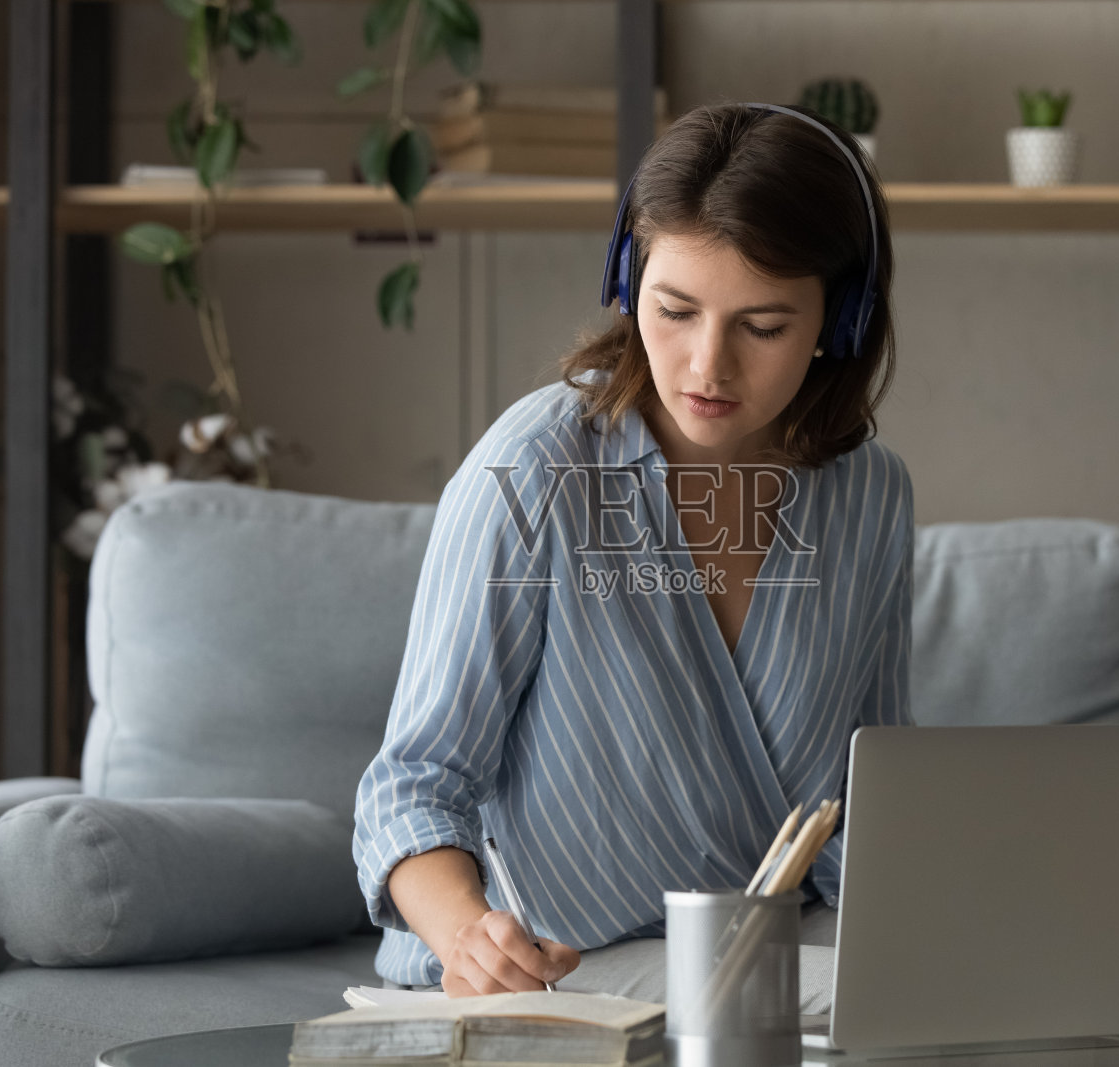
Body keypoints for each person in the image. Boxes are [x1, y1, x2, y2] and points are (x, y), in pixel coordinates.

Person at [352, 101, 913, 1003]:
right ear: (627, 279)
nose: (705, 366)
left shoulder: (870, 495)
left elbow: (873, 791)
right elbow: (411, 786)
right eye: (674, 309)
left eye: (762, 327)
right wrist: (468, 938)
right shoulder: (533, 469)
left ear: (838, 322)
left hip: (769, 958)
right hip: (548, 970)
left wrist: (919, 940)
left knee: (1027, 1002)